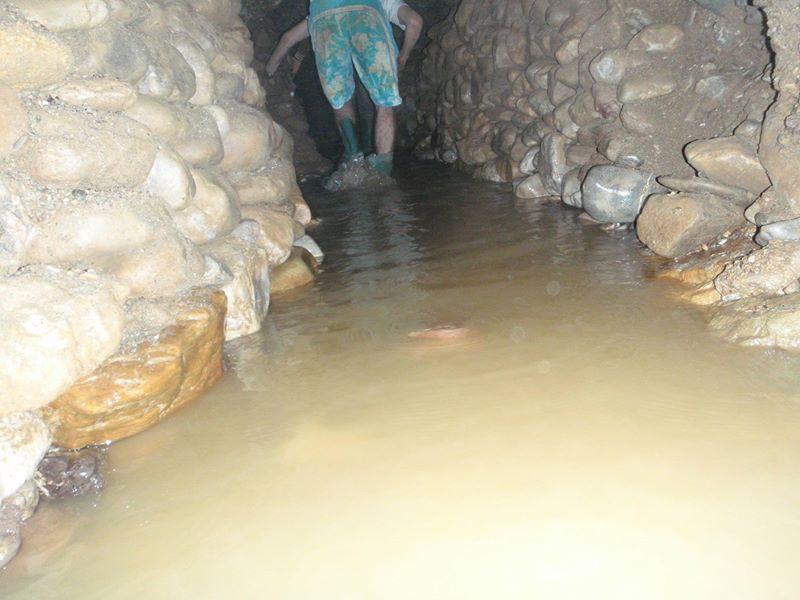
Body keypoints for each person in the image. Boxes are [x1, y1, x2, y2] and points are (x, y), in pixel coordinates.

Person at [265, 1, 423, 175]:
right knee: (384, 103)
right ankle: (383, 172)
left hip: (324, 18)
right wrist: (404, 56)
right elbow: (414, 21)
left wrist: (269, 69)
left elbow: (288, 38)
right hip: (367, 17)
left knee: (340, 100)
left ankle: (353, 155)